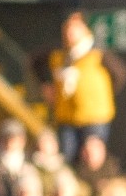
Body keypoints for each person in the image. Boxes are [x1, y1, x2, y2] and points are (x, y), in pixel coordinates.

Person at [43, 13, 122, 166]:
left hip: (94, 117)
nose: (70, 33)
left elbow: (120, 73)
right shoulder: (59, 55)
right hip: (67, 117)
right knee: (67, 157)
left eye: (75, 29)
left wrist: (100, 95)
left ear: (85, 29)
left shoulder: (98, 52)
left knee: (92, 156)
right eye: (67, 29)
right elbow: (35, 63)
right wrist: (47, 86)